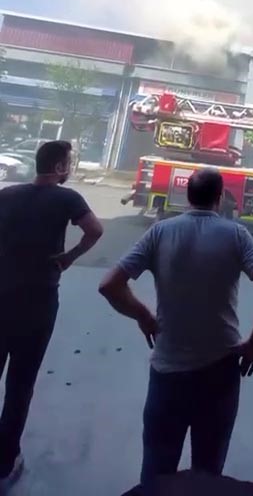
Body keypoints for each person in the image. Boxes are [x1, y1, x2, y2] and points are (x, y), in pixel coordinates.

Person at [99, 167, 253, 493]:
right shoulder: (236, 235)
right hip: (220, 371)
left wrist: (143, 315)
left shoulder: (160, 232)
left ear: (188, 196)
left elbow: (110, 284)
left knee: (157, 473)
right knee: (208, 474)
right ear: (220, 196)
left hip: (167, 372)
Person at [0, 140, 103, 490]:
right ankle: (5, 461)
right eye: (69, 163)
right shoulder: (67, 199)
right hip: (38, 301)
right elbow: (95, 230)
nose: (70, 168)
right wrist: (70, 256)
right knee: (20, 383)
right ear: (59, 167)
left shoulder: (8, 195)